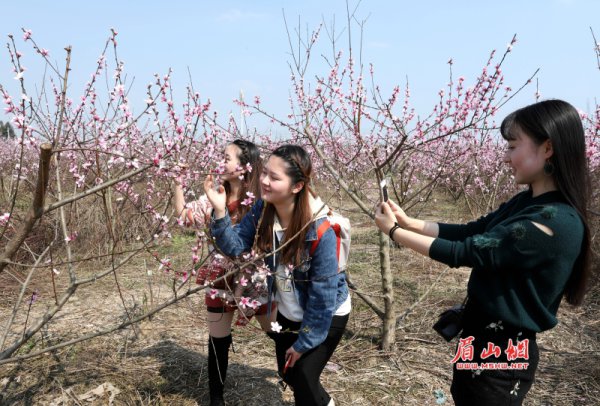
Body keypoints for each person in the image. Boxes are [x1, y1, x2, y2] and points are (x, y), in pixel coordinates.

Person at [374, 99, 591, 406]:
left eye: (513, 147)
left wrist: (395, 232)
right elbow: (472, 231)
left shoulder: (552, 223)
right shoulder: (527, 203)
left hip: (501, 357)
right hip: (481, 341)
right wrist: (410, 222)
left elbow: (466, 251)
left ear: (547, 148)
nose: (506, 158)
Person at [205, 144, 350, 406]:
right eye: (264, 173)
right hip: (289, 309)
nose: (264, 181)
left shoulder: (320, 231)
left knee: (304, 375)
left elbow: (322, 298)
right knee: (291, 375)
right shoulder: (263, 209)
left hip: (326, 313)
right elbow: (237, 249)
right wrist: (219, 212)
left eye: (274, 178)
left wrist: (304, 343)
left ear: (297, 186)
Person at [173, 139, 274, 406]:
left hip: (254, 281)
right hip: (218, 279)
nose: (220, 162)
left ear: (244, 166)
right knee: (218, 342)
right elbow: (184, 216)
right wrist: (178, 184)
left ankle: (296, 378)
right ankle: (216, 399)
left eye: (226, 157)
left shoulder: (260, 202)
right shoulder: (214, 194)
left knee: (276, 332)